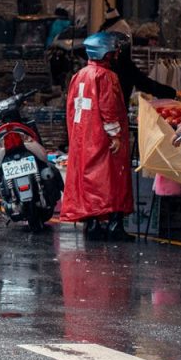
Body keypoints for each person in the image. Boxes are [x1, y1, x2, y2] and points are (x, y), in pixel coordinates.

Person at [61, 32, 135, 241]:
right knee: (112, 179)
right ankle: (114, 225)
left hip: (83, 137)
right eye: (114, 51)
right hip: (101, 136)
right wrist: (116, 135)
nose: (116, 54)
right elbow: (109, 108)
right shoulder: (106, 76)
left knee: (88, 180)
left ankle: (92, 224)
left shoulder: (80, 75)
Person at [100, 9, 177, 104]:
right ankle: (170, 93)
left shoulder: (119, 27)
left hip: (120, 71)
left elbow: (129, 40)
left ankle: (169, 93)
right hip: (116, 73)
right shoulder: (112, 27)